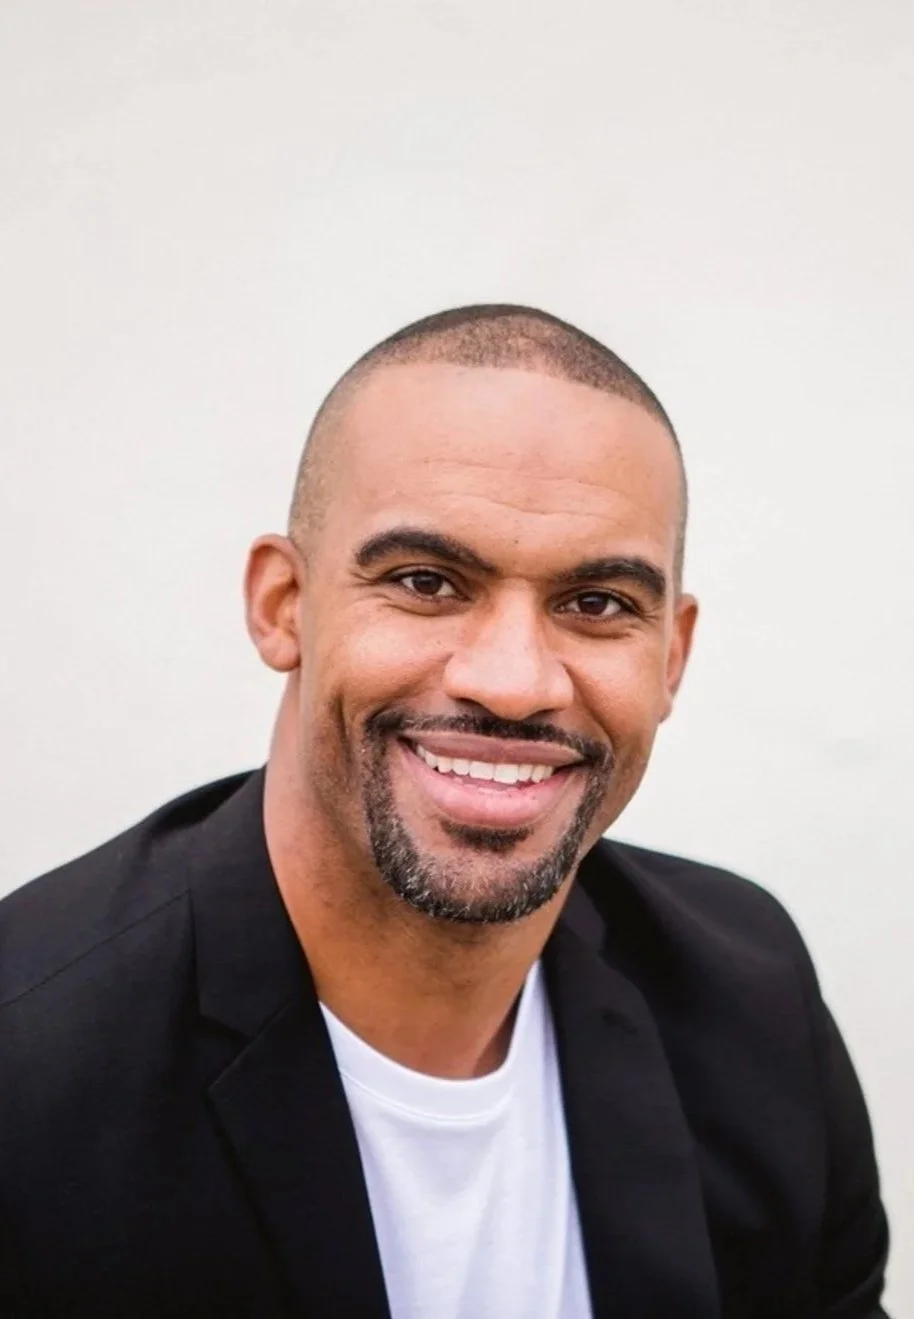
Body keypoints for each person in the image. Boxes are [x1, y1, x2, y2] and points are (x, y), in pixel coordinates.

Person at [0, 305, 890, 1318]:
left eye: (597, 603)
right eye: (426, 581)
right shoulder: (30, 1073)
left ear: (671, 658)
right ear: (283, 604)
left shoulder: (750, 997)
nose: (513, 681)